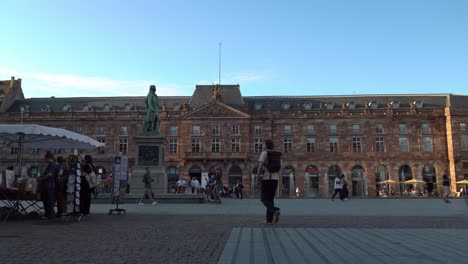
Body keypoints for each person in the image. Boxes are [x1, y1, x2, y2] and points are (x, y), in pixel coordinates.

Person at [257, 139, 281, 224]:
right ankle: (269, 220)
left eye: (263, 144)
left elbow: (260, 167)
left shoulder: (264, 153)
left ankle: (275, 210)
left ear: (266, 145)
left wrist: (257, 178)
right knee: (270, 199)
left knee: (264, 199)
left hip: (267, 179)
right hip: (275, 179)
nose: (262, 145)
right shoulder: (276, 154)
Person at [38, 151, 58, 219]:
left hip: (49, 185)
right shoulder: (52, 165)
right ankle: (48, 214)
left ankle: (50, 215)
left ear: (49, 158)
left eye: (46, 159)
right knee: (48, 200)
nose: (45, 160)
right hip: (49, 185)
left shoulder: (52, 165)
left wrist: (41, 178)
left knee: (48, 200)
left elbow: (50, 174)